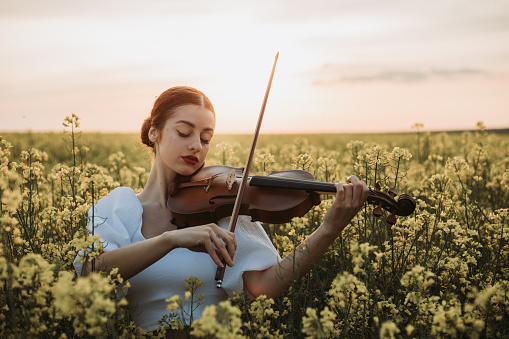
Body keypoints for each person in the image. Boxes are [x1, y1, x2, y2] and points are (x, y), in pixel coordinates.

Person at [73, 86, 369, 334]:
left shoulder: (222, 207)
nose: (196, 147)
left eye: (205, 139)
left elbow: (262, 289)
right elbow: (90, 274)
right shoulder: (119, 206)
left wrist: (329, 229)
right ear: (154, 132)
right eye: (184, 132)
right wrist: (170, 239)